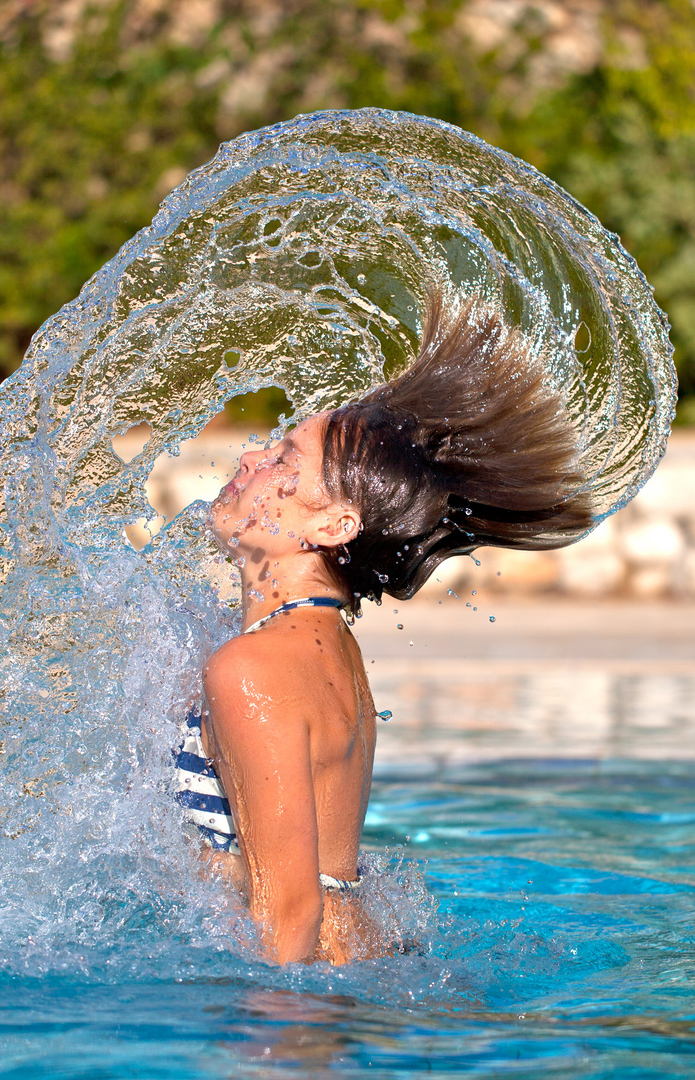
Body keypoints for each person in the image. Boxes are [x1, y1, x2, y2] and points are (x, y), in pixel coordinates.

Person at [175, 291, 595, 964]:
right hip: (365, 964)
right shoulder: (317, 644)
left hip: (315, 997)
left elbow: (288, 915)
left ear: (333, 527)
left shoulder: (254, 668)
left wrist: (277, 1058)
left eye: (283, 460)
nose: (250, 458)